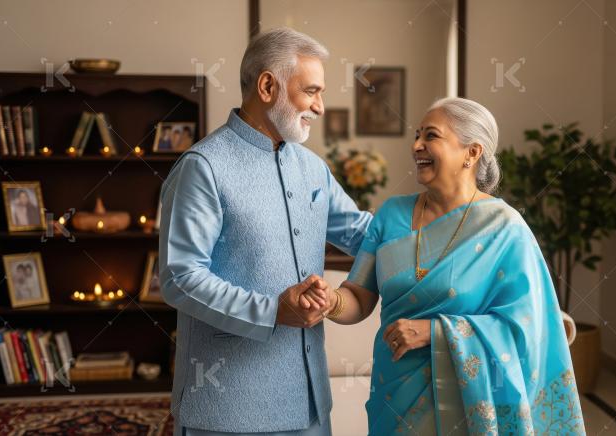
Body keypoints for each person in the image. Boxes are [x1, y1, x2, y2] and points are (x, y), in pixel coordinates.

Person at [302, 97, 586, 434]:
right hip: (395, 393)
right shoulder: (391, 215)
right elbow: (359, 296)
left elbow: (527, 326)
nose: (416, 145)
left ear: (472, 152)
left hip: (468, 405)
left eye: (431, 136)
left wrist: (435, 332)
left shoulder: (504, 228)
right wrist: (331, 301)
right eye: (417, 135)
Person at [159, 27, 372, 436]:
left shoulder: (312, 167)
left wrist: (445, 229)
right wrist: (273, 310)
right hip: (226, 411)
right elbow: (179, 277)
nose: (320, 106)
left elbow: (365, 234)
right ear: (268, 86)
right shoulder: (203, 168)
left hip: (311, 407)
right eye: (311, 91)